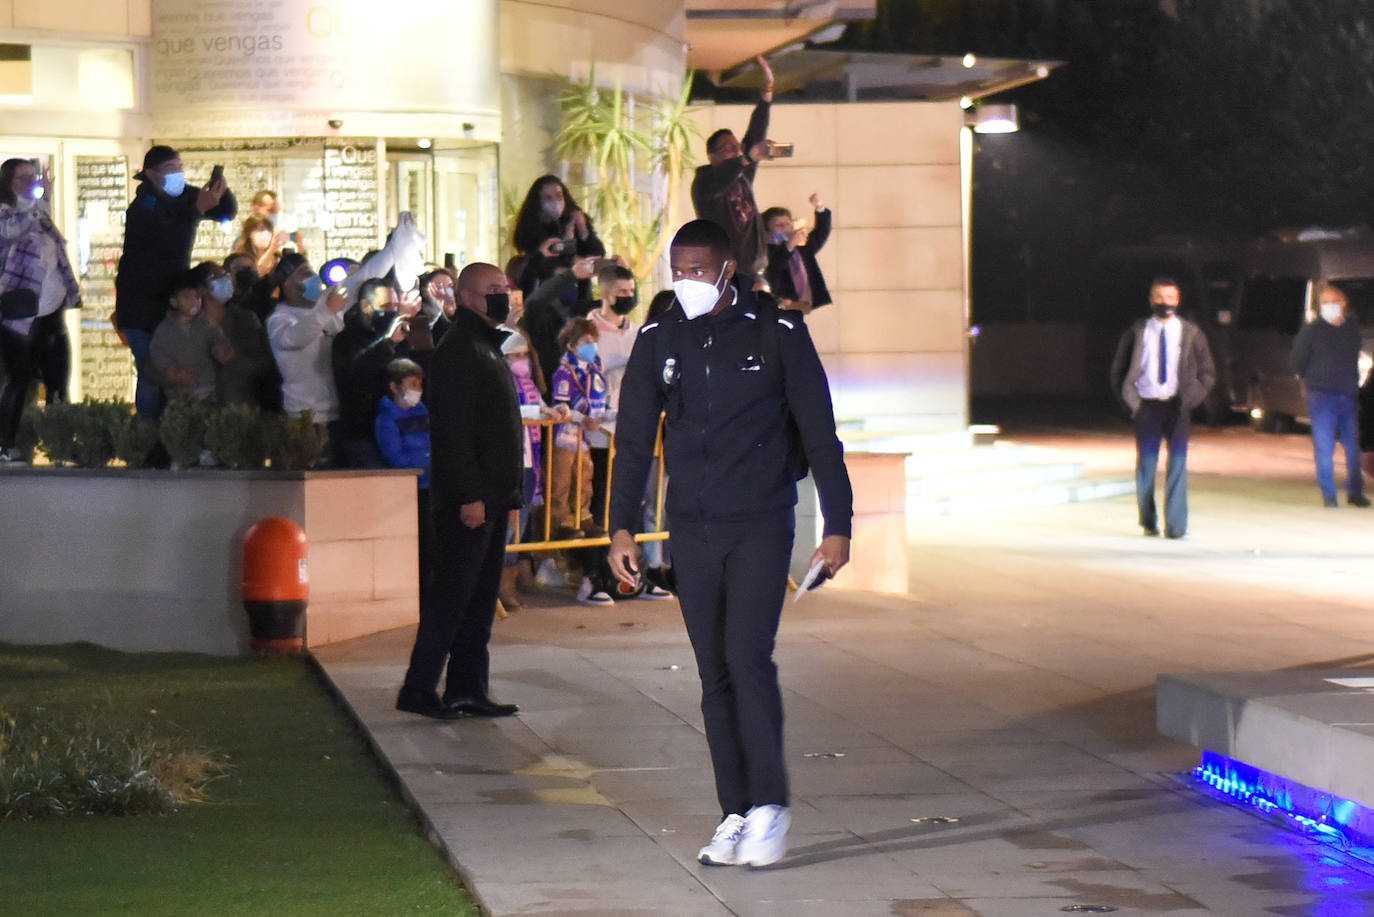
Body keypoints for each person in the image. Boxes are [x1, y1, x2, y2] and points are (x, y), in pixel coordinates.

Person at [607, 219, 853, 868]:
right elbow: (633, 438)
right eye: (676, 270)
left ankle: (770, 804)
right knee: (713, 674)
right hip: (692, 524)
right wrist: (621, 527)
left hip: (761, 521)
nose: (683, 281)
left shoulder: (778, 330)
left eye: (695, 270)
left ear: (725, 269)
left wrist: (838, 524)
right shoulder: (661, 336)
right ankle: (735, 812)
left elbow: (821, 431)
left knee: (747, 658)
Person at [396, 261, 523, 720]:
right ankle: (419, 687)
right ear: (467, 297)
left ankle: (468, 687)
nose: (502, 295)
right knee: (451, 597)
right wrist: (470, 495)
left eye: (504, 288)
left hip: (491, 496)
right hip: (469, 500)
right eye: (492, 289)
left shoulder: (486, 345)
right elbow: (452, 432)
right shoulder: (460, 349)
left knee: (477, 599)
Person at [115, 145, 236, 417]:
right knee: (152, 372)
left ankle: (174, 429)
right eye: (170, 170)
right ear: (150, 174)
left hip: (170, 301)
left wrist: (221, 193)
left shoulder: (183, 196)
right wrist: (196, 210)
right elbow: (169, 240)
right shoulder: (144, 207)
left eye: (179, 168)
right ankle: (148, 434)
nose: (177, 175)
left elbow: (225, 212)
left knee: (175, 372)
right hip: (141, 307)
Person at [1109, 276, 1217, 538]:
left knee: (1178, 465)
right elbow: (1119, 370)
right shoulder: (1138, 332)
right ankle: (1148, 520)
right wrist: (1132, 404)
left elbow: (1207, 372)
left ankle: (1177, 526)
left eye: (1169, 297)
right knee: (1147, 466)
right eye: (1159, 297)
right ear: (1150, 299)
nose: (1164, 302)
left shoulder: (1191, 333)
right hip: (1147, 407)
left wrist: (1191, 399)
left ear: (1177, 301)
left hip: (1177, 407)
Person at [0, 158, 79, 462]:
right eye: (22, 178)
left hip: (51, 311)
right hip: (19, 315)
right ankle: (8, 443)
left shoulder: (39, 214)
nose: (30, 182)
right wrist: (38, 203)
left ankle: (61, 442)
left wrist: (42, 202)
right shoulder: (9, 214)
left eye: (32, 177)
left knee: (58, 380)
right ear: (7, 182)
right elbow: (13, 231)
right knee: (19, 379)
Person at [691, 56, 775, 287]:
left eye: (736, 147)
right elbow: (722, 179)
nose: (736, 152)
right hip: (727, 271)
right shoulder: (705, 182)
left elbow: (754, 137)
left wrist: (765, 98)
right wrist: (746, 158)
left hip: (754, 268)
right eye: (728, 149)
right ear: (712, 156)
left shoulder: (742, 174)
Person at [1291, 283, 1369, 508]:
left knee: (1353, 446)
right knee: (1324, 446)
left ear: (1343, 305)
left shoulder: (1351, 329)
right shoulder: (1312, 331)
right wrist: (1308, 381)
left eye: (1332, 303)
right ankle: (1329, 495)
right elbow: (1297, 360)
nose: (1327, 307)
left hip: (1347, 395)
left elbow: (1355, 356)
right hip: (1321, 396)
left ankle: (1355, 492)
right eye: (1324, 303)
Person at [266, 254, 349, 456]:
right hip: (303, 415)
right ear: (287, 284)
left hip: (334, 409)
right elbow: (294, 338)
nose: (313, 277)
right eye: (304, 273)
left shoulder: (324, 311)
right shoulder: (279, 319)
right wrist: (326, 309)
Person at [331, 278, 420, 467]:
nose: (392, 312)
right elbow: (358, 374)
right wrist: (388, 343)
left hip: (398, 431)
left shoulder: (400, 338)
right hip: (364, 434)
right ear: (366, 306)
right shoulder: (346, 340)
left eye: (395, 307)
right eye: (386, 306)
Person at [375, 358, 434, 599]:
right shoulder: (386, 420)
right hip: (410, 490)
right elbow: (395, 456)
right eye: (411, 384)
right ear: (394, 386)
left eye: (419, 384)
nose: (416, 390)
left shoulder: (424, 413)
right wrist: (427, 464)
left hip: (431, 487)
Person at [549, 317, 608, 546]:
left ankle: (583, 516)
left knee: (584, 475)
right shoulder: (563, 373)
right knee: (561, 479)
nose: (591, 346)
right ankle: (559, 521)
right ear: (571, 346)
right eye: (585, 342)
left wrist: (600, 416)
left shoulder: (594, 369)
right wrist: (582, 417)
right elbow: (560, 406)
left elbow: (598, 398)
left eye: (594, 341)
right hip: (565, 435)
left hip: (583, 436)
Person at [190, 261, 278, 409]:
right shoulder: (188, 324)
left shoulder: (245, 319)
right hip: (200, 411)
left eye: (226, 275)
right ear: (201, 288)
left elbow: (262, 363)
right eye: (218, 276)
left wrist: (234, 358)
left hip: (241, 407)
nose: (226, 280)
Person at [510, 176, 604, 299]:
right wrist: (570, 250)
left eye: (559, 196)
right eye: (548, 198)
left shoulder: (574, 220)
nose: (555, 201)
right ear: (538, 202)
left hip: (580, 297)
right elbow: (544, 264)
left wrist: (583, 231)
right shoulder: (530, 228)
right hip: (546, 298)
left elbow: (597, 255)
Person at [149, 270, 233, 404]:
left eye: (197, 297)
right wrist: (172, 371)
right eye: (186, 297)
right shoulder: (164, 330)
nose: (194, 302)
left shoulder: (206, 323)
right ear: (174, 302)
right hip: (178, 394)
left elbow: (216, 340)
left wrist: (221, 351)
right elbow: (158, 352)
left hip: (208, 390)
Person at [762, 194, 833, 314]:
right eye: (779, 225)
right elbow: (773, 269)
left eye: (787, 224)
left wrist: (820, 208)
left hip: (805, 304)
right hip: (780, 305)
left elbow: (821, 234)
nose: (784, 228)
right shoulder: (764, 248)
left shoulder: (800, 245)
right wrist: (788, 246)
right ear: (768, 228)